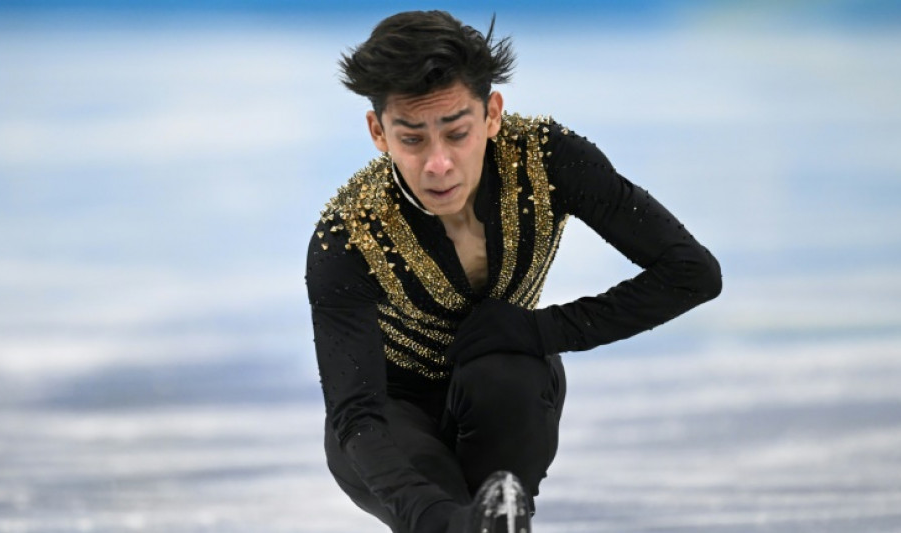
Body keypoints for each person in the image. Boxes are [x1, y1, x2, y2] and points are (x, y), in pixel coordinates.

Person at [306, 10, 722, 533]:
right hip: (391, 418)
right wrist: (437, 519)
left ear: (492, 114)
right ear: (378, 131)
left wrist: (540, 330)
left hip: (507, 390)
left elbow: (691, 273)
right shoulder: (349, 232)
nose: (439, 164)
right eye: (412, 139)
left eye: (456, 133)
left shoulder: (547, 159)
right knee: (435, 488)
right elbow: (357, 417)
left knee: (506, 373)